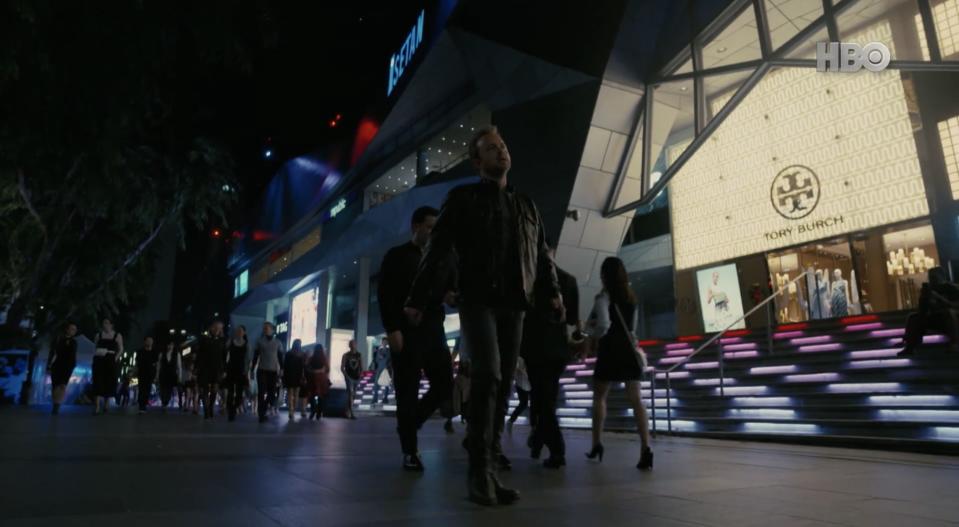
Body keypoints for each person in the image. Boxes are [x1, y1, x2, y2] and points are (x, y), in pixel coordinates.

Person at [405, 126, 562, 506]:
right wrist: (418, 298)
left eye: (503, 146)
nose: (501, 152)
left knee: (505, 383)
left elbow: (541, 254)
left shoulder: (526, 205)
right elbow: (438, 250)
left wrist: (553, 291)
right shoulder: (462, 198)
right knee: (488, 374)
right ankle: (478, 474)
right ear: (478, 161)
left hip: (515, 305)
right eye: (491, 149)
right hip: (478, 301)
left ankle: (491, 470)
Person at [377, 206, 456, 471]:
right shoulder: (397, 256)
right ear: (416, 227)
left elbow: (451, 291)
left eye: (436, 228)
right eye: (429, 227)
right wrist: (392, 329)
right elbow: (385, 294)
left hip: (435, 331)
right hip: (406, 333)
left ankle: (411, 422)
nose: (433, 233)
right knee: (407, 392)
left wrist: (452, 296)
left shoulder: (443, 258)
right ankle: (410, 450)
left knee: (445, 384)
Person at [586, 257, 653, 470]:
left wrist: (592, 335)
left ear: (604, 275)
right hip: (628, 350)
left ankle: (597, 443)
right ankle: (645, 448)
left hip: (609, 351)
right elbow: (632, 329)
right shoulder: (631, 298)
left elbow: (604, 324)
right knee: (636, 400)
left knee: (600, 396)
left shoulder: (603, 297)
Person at [522, 249, 581, 468]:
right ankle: (538, 439)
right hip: (558, 351)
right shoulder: (569, 280)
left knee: (542, 401)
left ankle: (557, 449)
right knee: (545, 399)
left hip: (535, 349)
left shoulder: (530, 280)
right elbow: (573, 318)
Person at [900, 267, 959, 356]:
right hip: (935, 317)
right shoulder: (929, 290)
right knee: (913, 317)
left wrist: (939, 298)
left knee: (949, 313)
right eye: (930, 277)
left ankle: (955, 344)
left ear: (942, 277)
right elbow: (922, 310)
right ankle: (909, 346)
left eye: (934, 277)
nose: (932, 279)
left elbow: (955, 305)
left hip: (951, 317)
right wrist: (924, 299)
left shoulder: (952, 288)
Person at [252, 322, 284, 423]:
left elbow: (280, 357)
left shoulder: (278, 342)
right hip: (262, 370)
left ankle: (264, 408)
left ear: (272, 330)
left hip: (273, 370)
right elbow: (255, 356)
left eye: (267, 328)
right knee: (261, 392)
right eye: (264, 328)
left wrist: (282, 369)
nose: (265, 330)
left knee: (271, 394)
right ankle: (261, 414)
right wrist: (253, 368)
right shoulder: (259, 342)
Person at [91, 318, 124, 415]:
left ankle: (106, 404)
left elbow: (121, 348)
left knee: (109, 380)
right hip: (99, 358)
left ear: (111, 325)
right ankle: (96, 406)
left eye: (107, 323)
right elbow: (95, 346)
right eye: (103, 323)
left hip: (110, 358)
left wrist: (115, 358)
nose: (105, 325)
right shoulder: (98, 335)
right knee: (97, 380)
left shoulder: (117, 335)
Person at [195, 321, 226, 420]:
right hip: (204, 368)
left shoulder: (222, 341)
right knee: (204, 390)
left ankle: (211, 407)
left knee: (214, 390)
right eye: (216, 327)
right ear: (211, 328)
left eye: (220, 328)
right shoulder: (204, 339)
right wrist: (196, 368)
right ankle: (206, 411)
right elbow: (199, 354)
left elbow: (224, 357)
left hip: (217, 368)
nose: (217, 330)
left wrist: (224, 369)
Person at [48, 322, 79, 415]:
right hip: (57, 364)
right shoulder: (59, 339)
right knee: (55, 384)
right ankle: (55, 403)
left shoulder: (74, 342)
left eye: (74, 329)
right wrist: (49, 364)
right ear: (67, 329)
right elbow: (53, 351)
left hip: (68, 365)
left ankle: (57, 405)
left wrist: (73, 365)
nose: (73, 331)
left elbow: (73, 354)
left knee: (62, 384)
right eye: (71, 328)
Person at [225, 325, 251, 421]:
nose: (239, 332)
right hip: (231, 368)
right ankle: (230, 410)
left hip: (241, 370)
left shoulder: (246, 344)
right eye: (237, 330)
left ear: (244, 332)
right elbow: (225, 353)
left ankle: (235, 407)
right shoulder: (230, 342)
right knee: (230, 391)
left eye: (241, 331)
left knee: (239, 393)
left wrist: (247, 371)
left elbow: (248, 360)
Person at [283, 339, 308, 420]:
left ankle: (291, 411)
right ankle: (293, 410)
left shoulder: (288, 354)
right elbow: (304, 366)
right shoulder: (302, 354)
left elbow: (285, 366)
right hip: (298, 376)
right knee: (296, 394)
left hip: (289, 376)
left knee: (290, 394)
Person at [135, 336, 160, 414]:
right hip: (141, 373)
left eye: (151, 341)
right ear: (145, 342)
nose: (149, 342)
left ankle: (144, 405)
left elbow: (157, 363)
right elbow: (137, 363)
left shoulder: (154, 352)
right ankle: (141, 405)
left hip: (150, 373)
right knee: (141, 388)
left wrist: (157, 374)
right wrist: (134, 372)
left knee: (147, 389)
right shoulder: (140, 351)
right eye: (148, 340)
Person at [307, 344, 331, 420]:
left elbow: (307, 368)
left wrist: (313, 371)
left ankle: (313, 410)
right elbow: (327, 369)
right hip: (322, 379)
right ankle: (319, 413)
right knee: (321, 396)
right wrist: (321, 371)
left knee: (311, 395)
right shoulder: (324, 359)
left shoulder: (311, 358)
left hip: (313, 378)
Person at [506, 357, 530, 431]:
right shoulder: (519, 358)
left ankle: (511, 421)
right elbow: (516, 368)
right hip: (521, 383)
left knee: (524, 403)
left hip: (526, 382)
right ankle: (511, 421)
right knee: (523, 403)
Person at [340, 339, 362, 420]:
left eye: (354, 344)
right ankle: (351, 413)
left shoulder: (359, 355)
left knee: (354, 395)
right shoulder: (346, 355)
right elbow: (342, 367)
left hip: (356, 377)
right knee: (350, 394)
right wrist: (346, 376)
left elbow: (361, 366)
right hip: (349, 377)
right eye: (351, 344)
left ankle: (347, 410)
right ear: (349, 345)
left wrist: (360, 375)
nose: (353, 345)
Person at [369, 337, 394, 406]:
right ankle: (375, 398)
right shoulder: (379, 350)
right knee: (376, 384)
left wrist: (388, 365)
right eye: (384, 342)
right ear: (382, 343)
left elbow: (391, 360)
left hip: (387, 369)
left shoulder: (389, 351)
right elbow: (376, 360)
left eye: (386, 342)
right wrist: (379, 358)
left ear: (387, 343)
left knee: (386, 384)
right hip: (379, 369)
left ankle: (385, 398)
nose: (385, 343)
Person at [158, 341, 182, 410]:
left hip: (172, 374)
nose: (170, 346)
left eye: (171, 345)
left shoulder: (177, 354)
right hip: (163, 374)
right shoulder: (162, 354)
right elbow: (159, 366)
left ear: (173, 346)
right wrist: (157, 375)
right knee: (162, 389)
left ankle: (166, 402)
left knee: (169, 389)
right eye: (168, 345)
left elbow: (179, 366)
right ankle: (163, 401)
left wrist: (179, 376)